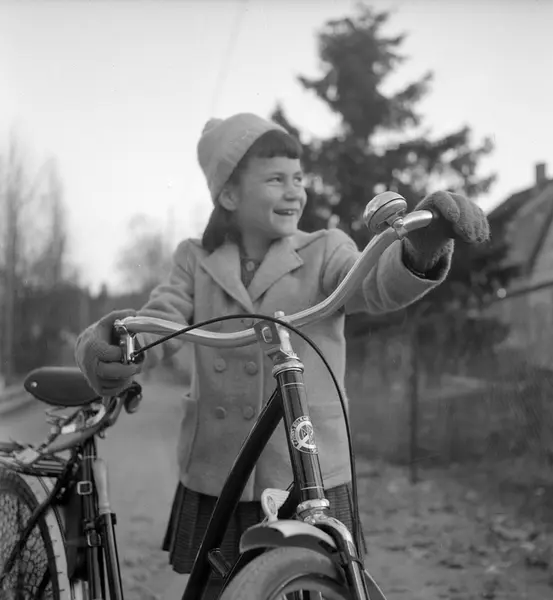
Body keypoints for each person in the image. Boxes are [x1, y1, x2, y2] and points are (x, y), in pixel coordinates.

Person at [75, 113, 489, 596]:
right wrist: (112, 343)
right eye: (276, 179)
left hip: (307, 470)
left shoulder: (325, 250)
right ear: (230, 196)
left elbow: (374, 284)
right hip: (222, 470)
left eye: (298, 178)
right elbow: (161, 320)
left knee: (321, 580)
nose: (296, 192)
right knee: (220, 589)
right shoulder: (195, 261)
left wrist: (419, 249)